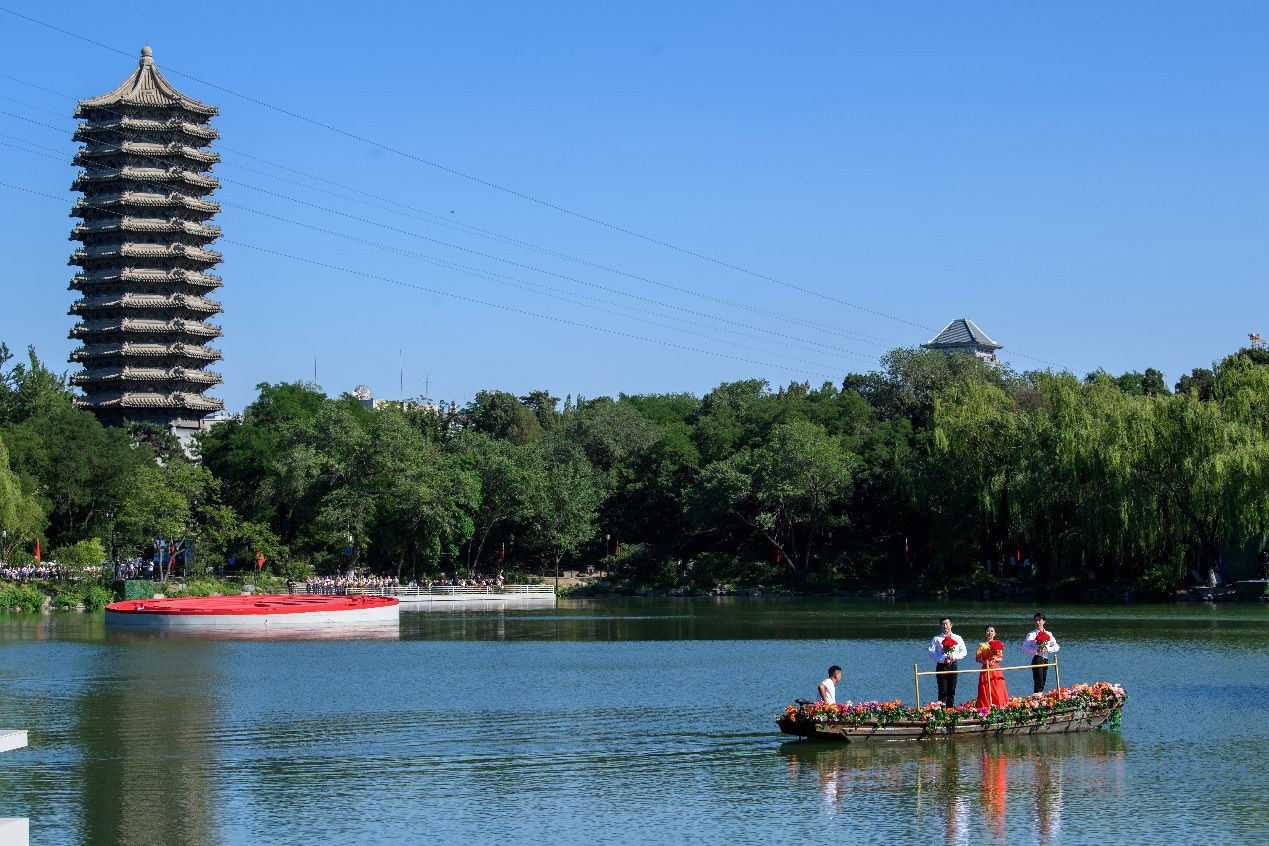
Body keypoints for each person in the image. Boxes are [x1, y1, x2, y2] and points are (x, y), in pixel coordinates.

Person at [927, 617, 967, 707]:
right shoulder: (937, 639)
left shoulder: (958, 638)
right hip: (942, 666)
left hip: (953, 666)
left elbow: (964, 652)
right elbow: (930, 652)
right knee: (942, 691)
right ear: (941, 626)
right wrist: (942, 659)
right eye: (943, 624)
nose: (945, 626)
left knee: (951, 690)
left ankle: (950, 711)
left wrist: (953, 657)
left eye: (947, 624)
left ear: (951, 625)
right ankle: (941, 713)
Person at [1021, 612, 1059, 693]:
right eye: (1036, 621)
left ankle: (1038, 700)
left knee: (1043, 681)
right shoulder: (1031, 634)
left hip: (1045, 659)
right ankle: (1036, 701)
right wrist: (1036, 651)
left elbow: (1057, 646)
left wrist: (1047, 648)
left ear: (1044, 621)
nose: (1038, 622)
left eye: (1039, 620)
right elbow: (1024, 648)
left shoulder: (1049, 634)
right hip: (1037, 658)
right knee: (1039, 683)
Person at [974, 626, 1009, 708]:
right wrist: (986, 662)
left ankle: (1000, 705)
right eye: (988, 631)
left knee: (998, 687)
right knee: (986, 688)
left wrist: (995, 659)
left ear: (995, 633)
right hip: (986, 669)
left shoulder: (998, 645)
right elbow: (978, 659)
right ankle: (986, 706)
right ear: (985, 633)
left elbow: (1000, 658)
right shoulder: (982, 646)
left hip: (996, 669)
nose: (990, 633)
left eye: (992, 631)